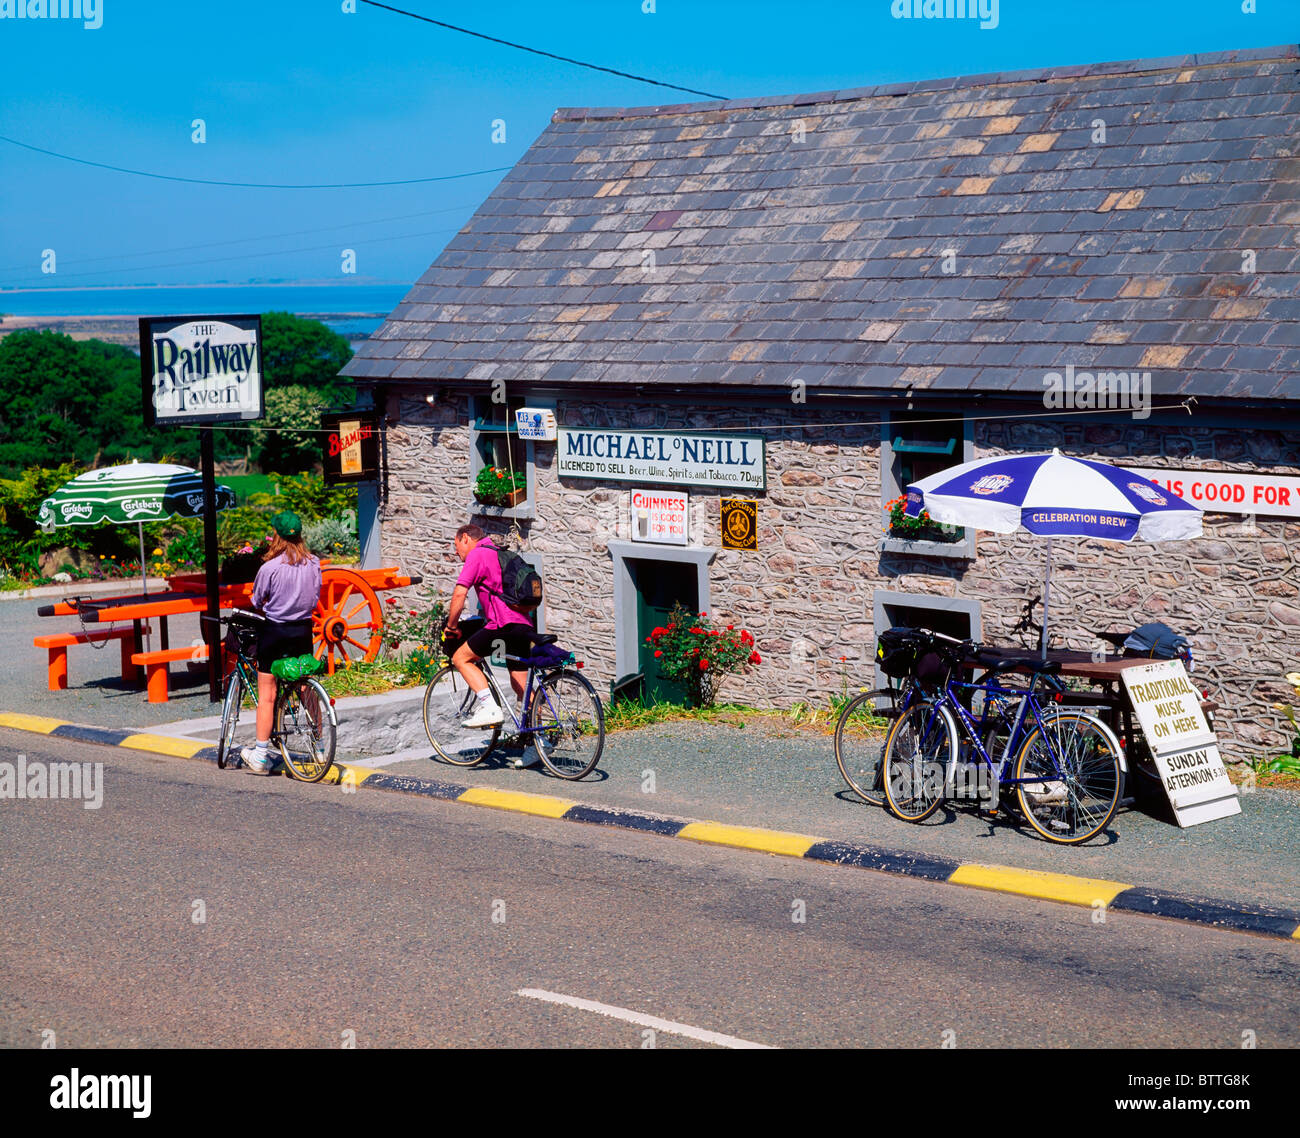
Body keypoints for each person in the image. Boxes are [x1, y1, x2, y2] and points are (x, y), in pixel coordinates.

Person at [445, 524, 539, 761]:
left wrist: (452, 626)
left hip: (501, 625)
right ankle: (540, 742)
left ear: (465, 538)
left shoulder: (477, 554)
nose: (457, 553)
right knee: (521, 684)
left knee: (461, 658)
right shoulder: (499, 552)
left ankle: (489, 707)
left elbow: (459, 594)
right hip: (523, 625)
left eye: (457, 546)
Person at [240, 511, 322, 774]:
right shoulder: (314, 563)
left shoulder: (269, 568)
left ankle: (261, 755)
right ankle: (319, 750)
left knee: (267, 694)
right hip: (302, 631)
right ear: (299, 535)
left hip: (275, 631)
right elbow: (315, 595)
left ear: (275, 535)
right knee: (306, 688)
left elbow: (257, 600)